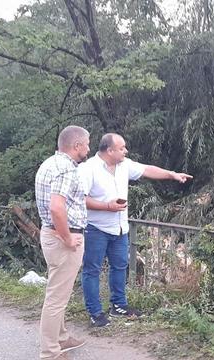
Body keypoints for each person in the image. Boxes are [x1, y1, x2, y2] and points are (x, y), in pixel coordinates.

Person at [78, 133, 192, 327]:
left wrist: (172, 174)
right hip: (96, 228)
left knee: (120, 266)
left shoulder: (124, 165)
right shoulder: (88, 169)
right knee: (92, 270)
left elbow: (148, 170)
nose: (126, 151)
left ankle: (119, 306)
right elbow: (80, 199)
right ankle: (95, 313)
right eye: (122, 148)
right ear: (110, 150)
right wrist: (107, 206)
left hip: (120, 228)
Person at [34, 125, 91, 359]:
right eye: (87, 144)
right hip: (63, 238)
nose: (89, 148)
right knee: (56, 298)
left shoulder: (49, 163)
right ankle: (50, 352)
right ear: (76, 145)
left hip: (50, 234)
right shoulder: (66, 169)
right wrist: (67, 237)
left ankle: (61, 337)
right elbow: (57, 207)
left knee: (59, 290)